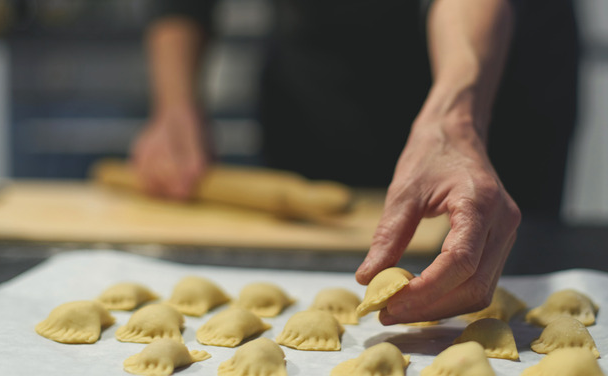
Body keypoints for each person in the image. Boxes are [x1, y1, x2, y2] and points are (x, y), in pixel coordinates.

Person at [131, 0, 579, 325]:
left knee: (496, 273)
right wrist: (174, 102)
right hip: (317, 87)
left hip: (488, 76)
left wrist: (456, 118)